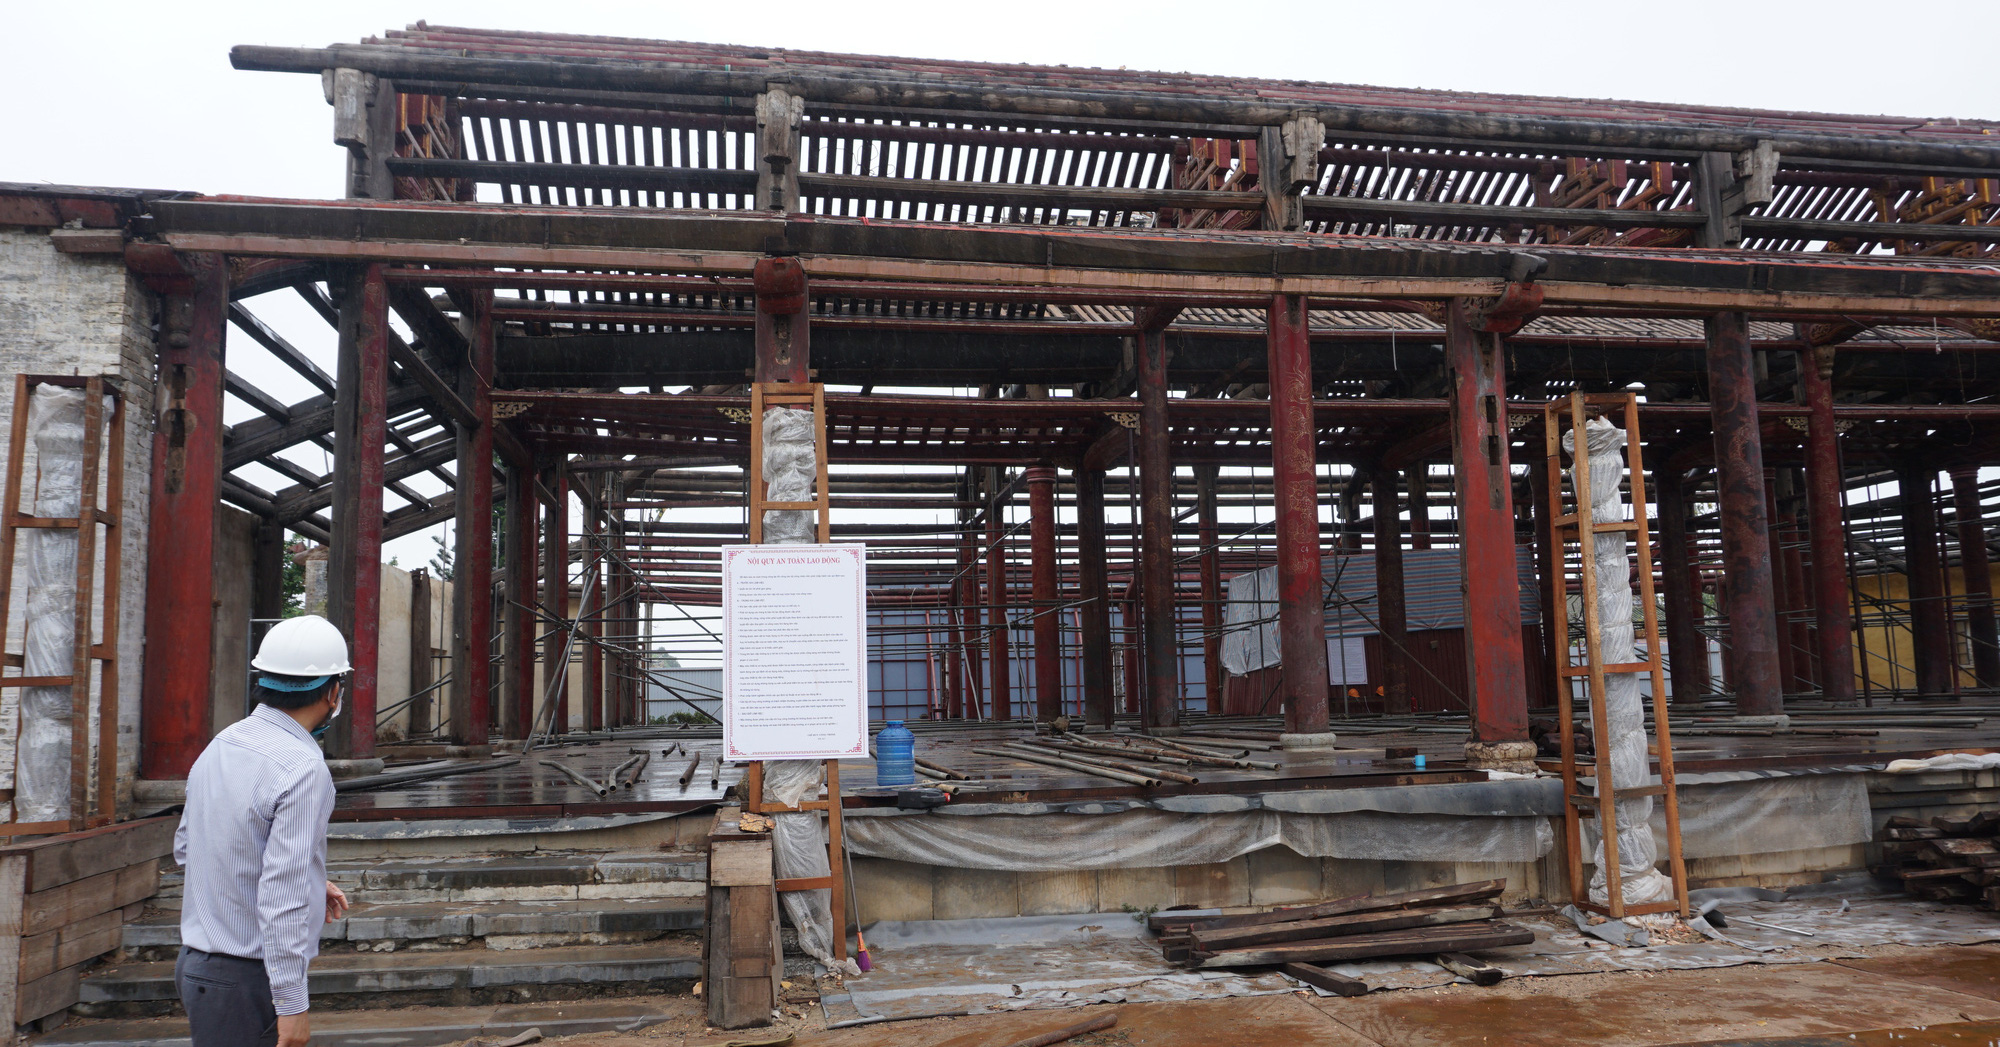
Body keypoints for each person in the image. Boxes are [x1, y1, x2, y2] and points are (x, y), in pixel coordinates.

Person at [174, 615, 354, 1047]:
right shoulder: (303, 768)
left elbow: (187, 848)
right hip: (244, 979)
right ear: (333, 692)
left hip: (198, 969)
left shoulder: (225, 742)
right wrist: (292, 1006)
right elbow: (283, 894)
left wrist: (311, 880)